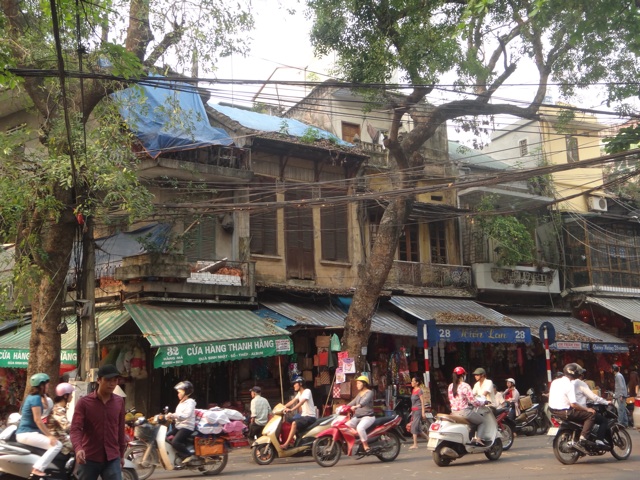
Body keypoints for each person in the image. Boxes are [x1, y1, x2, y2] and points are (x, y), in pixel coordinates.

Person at [70, 364, 126, 480]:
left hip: (112, 457)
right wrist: (78, 448)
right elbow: (76, 428)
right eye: (108, 380)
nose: (112, 384)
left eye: (115, 380)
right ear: (99, 380)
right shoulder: (84, 403)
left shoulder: (119, 402)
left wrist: (121, 455)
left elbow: (120, 429)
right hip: (89, 457)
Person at [16, 373, 63, 479]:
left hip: (29, 432)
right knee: (57, 445)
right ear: (41, 385)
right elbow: (38, 420)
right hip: (26, 433)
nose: (48, 386)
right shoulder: (35, 399)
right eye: (46, 384)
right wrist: (50, 436)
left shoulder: (33, 397)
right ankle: (38, 468)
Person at [548, 362, 596, 453]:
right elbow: (573, 404)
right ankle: (583, 439)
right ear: (574, 373)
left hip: (553, 411)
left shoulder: (555, 381)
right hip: (565, 412)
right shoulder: (569, 385)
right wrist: (587, 409)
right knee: (590, 414)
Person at [448, 366, 487, 445]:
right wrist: (483, 403)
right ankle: (478, 439)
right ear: (463, 375)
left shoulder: (450, 386)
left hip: (453, 413)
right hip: (464, 412)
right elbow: (473, 401)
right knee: (482, 421)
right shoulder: (465, 386)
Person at [574, 366, 610, 446]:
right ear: (581, 375)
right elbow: (593, 397)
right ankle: (599, 439)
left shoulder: (569, 383)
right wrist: (605, 402)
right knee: (603, 420)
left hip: (571, 410)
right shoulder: (581, 383)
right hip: (580, 410)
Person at [281, 376, 316, 449]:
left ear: (300, 384)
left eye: (295, 384)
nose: (294, 386)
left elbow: (301, 402)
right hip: (304, 416)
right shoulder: (299, 393)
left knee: (294, 423)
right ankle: (296, 440)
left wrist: (291, 409)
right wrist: (282, 407)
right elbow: (292, 401)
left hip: (310, 417)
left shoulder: (307, 391)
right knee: (288, 420)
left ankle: (286, 444)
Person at [166, 380, 196, 463]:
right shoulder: (181, 403)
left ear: (185, 392)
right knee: (165, 438)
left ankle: (188, 455)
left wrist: (173, 415)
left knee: (176, 442)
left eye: (180, 392)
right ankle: (178, 455)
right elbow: (178, 414)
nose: (178, 394)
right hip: (179, 426)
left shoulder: (190, 402)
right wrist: (169, 416)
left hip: (187, 427)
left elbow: (186, 415)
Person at [345, 375, 375, 452]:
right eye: (357, 383)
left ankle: (366, 446)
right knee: (345, 426)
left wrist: (357, 406)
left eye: (358, 383)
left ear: (364, 384)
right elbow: (352, 402)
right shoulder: (359, 394)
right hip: (357, 417)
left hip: (368, 417)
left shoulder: (369, 392)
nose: (357, 385)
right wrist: (343, 407)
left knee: (360, 428)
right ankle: (354, 442)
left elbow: (364, 401)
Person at [47, 382, 75, 454]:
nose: (72, 396)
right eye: (71, 394)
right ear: (65, 396)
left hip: (61, 436)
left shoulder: (59, 408)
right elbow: (66, 426)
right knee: (79, 447)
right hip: (59, 439)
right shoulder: (58, 409)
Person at [409, 376, 428, 449]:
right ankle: (428, 439)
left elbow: (422, 402)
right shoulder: (413, 390)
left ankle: (415, 444)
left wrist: (423, 412)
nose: (412, 382)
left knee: (414, 426)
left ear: (417, 383)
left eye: (413, 381)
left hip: (418, 410)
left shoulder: (419, 390)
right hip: (414, 410)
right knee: (418, 429)